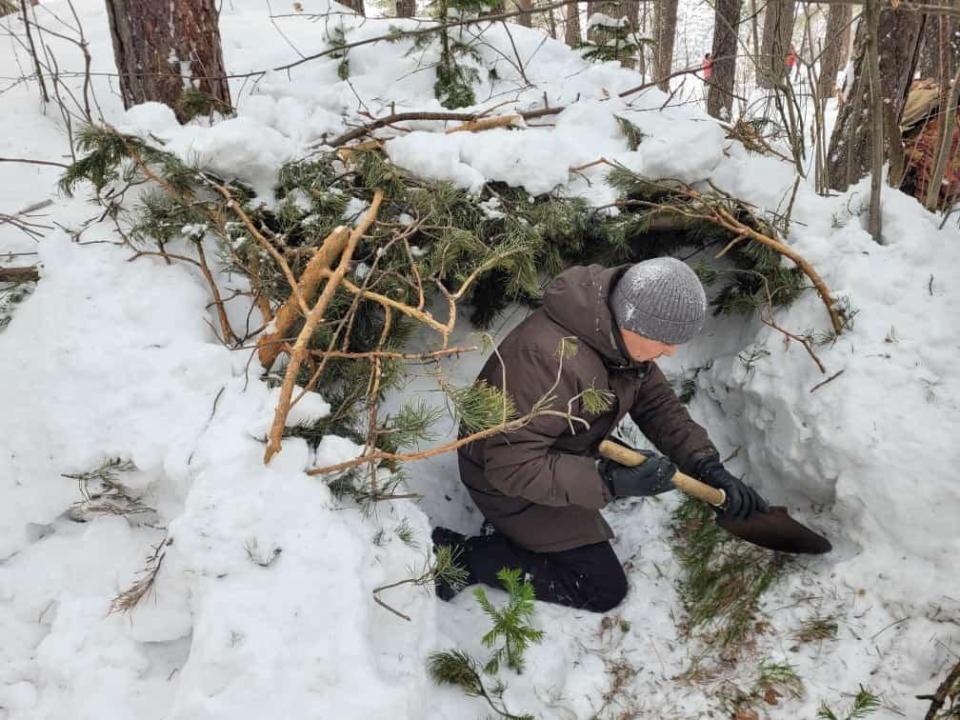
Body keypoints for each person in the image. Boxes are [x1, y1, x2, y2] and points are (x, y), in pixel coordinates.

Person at [432, 260, 768, 612]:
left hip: (564, 447)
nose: (671, 352)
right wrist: (607, 482)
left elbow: (655, 405)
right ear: (632, 321)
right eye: (665, 341)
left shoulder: (614, 337)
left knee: (633, 476)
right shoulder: (544, 360)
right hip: (505, 481)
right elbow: (509, 466)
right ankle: (467, 557)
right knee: (600, 588)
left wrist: (706, 465)